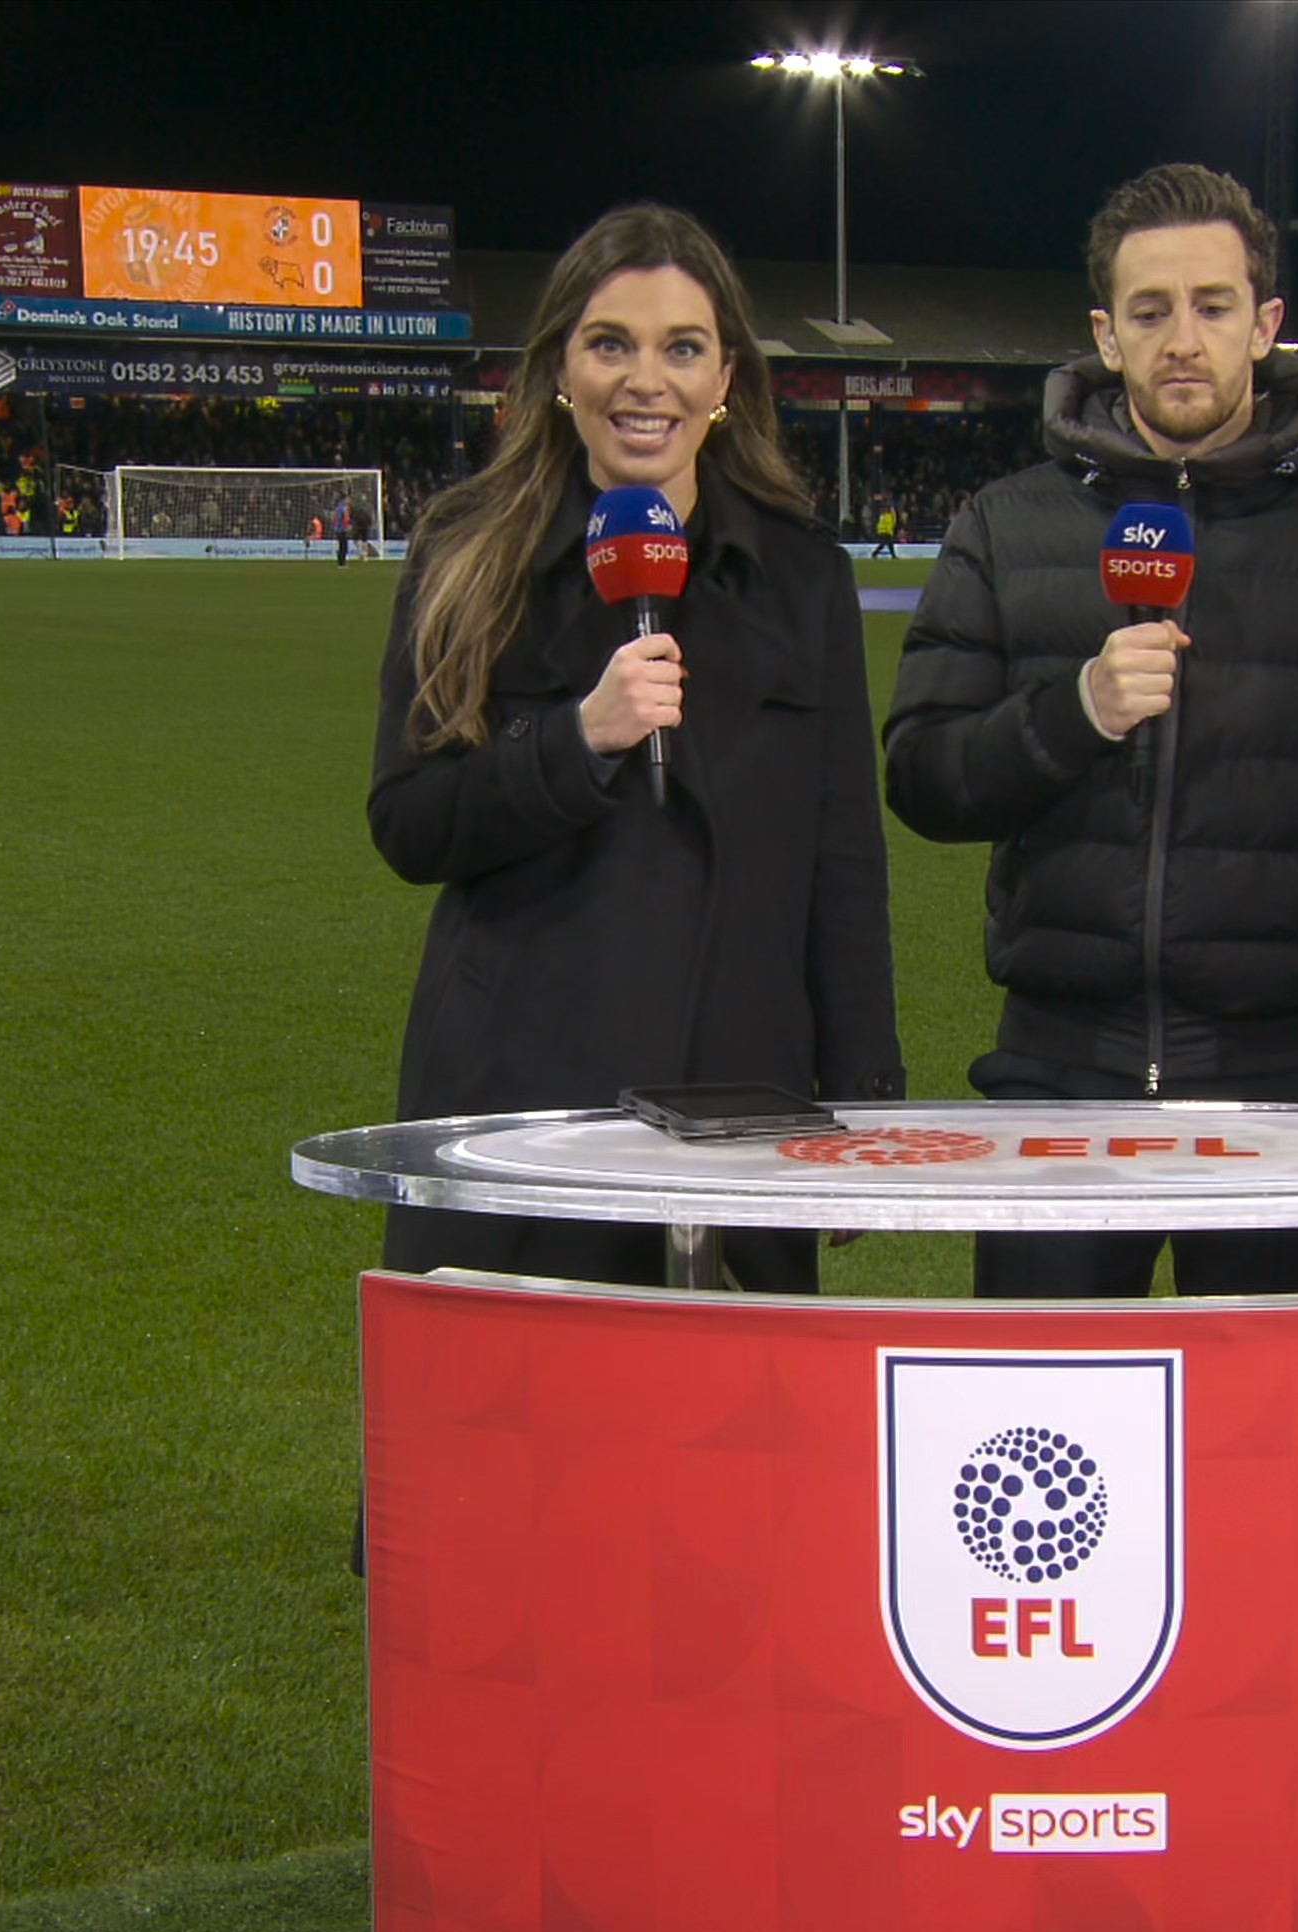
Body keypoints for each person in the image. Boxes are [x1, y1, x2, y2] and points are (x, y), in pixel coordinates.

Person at [884, 161, 1298, 1301]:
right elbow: (923, 777)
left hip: (1287, 1083)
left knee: (1271, 1417)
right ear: (1106, 334)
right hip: (1058, 1073)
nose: (1183, 340)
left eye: (1212, 306)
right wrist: (1075, 713)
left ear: (1267, 324)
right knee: (1049, 1409)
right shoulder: (1005, 527)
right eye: (1150, 312)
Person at [368, 199, 903, 1301]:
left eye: (682, 349)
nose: (644, 381)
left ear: (727, 380)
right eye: (610, 344)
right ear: (561, 370)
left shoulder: (803, 575)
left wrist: (863, 1098)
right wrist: (575, 742)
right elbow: (409, 822)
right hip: (521, 1094)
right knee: (516, 1407)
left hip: (744, 1097)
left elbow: (843, 859)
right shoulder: (467, 556)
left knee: (734, 1411)